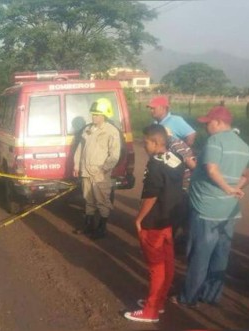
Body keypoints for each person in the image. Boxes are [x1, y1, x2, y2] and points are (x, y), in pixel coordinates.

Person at [172, 106, 249, 307]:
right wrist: (235, 189)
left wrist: (227, 187)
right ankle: (211, 295)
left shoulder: (215, 141)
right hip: (229, 211)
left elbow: (211, 169)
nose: (206, 127)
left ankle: (189, 297)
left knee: (199, 255)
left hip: (207, 208)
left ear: (218, 122)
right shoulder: (243, 145)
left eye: (208, 123)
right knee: (220, 255)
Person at [123, 124, 184, 323]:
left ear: (157, 142)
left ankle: (150, 311)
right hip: (169, 220)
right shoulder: (176, 159)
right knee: (167, 263)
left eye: (147, 142)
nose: (144, 146)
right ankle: (159, 302)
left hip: (154, 221)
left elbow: (151, 195)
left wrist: (139, 218)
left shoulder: (155, 164)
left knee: (156, 267)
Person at [72, 98, 122, 239]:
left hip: (100, 174)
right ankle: (89, 226)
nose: (94, 116)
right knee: (88, 200)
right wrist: (76, 165)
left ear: (104, 115)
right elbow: (80, 148)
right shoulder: (88, 129)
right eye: (93, 114)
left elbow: (114, 154)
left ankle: (102, 228)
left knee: (102, 201)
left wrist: (104, 169)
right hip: (86, 171)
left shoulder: (111, 131)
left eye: (97, 114)